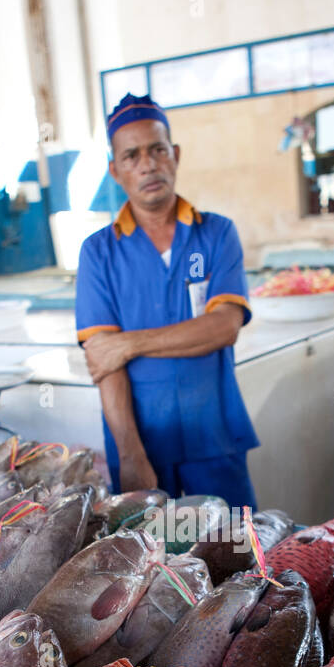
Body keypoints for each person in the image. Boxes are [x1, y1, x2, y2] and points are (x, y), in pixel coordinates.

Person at [75, 93, 259, 508]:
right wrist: (130, 454)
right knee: (150, 564)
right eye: (132, 155)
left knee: (235, 554)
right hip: (143, 445)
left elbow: (224, 326)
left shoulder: (216, 234)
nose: (148, 164)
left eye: (158, 150)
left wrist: (129, 343)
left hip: (213, 435)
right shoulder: (99, 252)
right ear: (115, 170)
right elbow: (105, 364)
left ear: (174, 155)